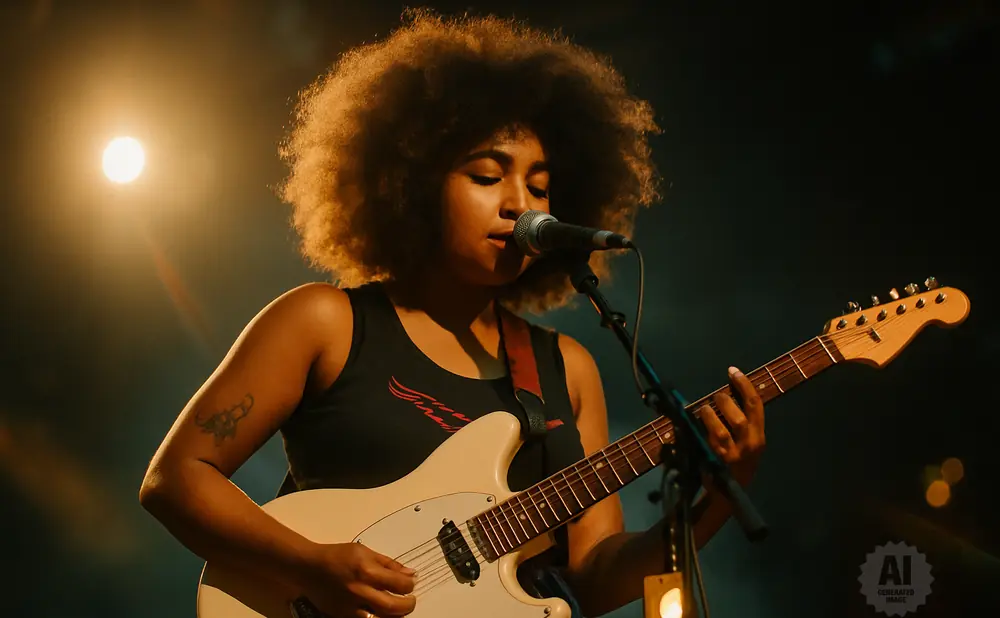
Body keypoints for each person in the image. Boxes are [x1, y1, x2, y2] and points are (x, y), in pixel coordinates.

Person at [138, 9, 766, 618]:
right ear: (411, 184)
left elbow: (595, 579)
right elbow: (177, 478)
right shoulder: (323, 322)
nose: (521, 205)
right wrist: (311, 567)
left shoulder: (565, 371)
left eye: (541, 188)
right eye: (487, 175)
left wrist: (711, 500)